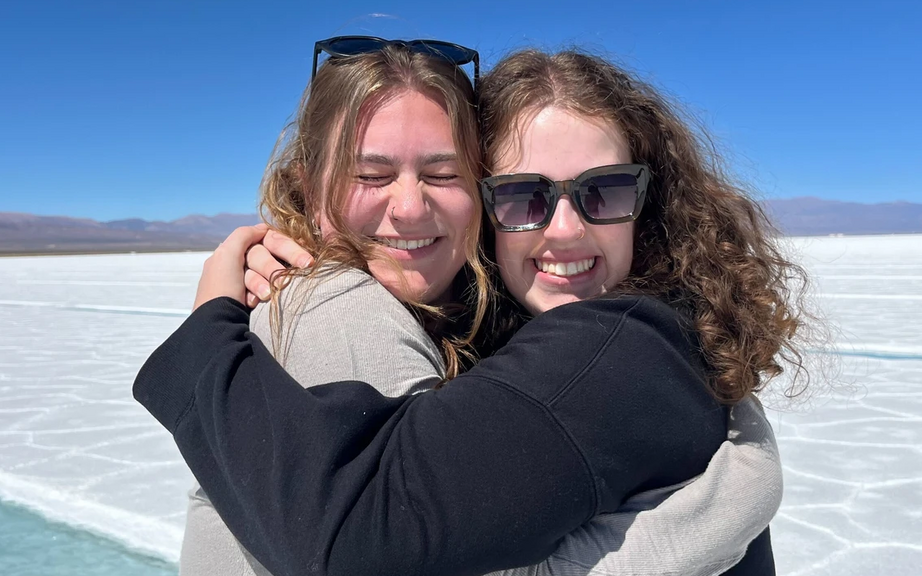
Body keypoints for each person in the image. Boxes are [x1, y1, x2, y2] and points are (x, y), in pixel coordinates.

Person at [137, 44, 804, 576]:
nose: (566, 229)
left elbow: (363, 538)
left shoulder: (616, 343)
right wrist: (730, 500)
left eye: (603, 191)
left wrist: (205, 343)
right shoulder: (368, 314)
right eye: (523, 196)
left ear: (648, 200)